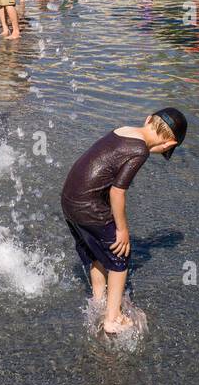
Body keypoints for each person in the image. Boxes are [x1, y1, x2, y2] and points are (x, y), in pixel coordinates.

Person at [60, 109, 188, 334]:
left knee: (95, 250)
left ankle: (98, 300)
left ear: (148, 119)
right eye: (165, 150)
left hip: (70, 200)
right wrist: (122, 229)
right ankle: (112, 318)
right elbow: (117, 192)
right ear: (169, 144)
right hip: (89, 207)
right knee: (120, 255)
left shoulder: (123, 131)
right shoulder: (140, 151)